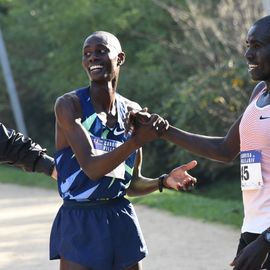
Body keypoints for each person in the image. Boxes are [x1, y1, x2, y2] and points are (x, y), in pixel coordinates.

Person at [50, 30, 198, 270]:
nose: (93, 58)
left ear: (120, 58)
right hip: (80, 220)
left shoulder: (131, 111)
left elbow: (131, 184)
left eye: (101, 51)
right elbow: (91, 169)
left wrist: (163, 181)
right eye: (87, 54)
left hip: (119, 217)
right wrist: (136, 141)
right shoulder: (70, 105)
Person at [133, 15, 270, 270]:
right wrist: (163, 130)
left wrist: (267, 241)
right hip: (253, 231)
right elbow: (226, 149)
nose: (248, 54)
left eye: (258, 46)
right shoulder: (259, 93)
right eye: (248, 45)